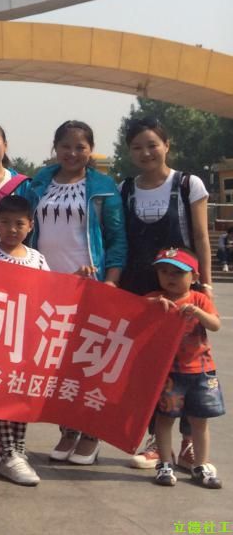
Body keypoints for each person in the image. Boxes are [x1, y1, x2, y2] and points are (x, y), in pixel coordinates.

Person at [21, 120, 127, 465]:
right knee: (57, 363)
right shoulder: (38, 183)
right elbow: (21, 227)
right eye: (65, 146)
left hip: (89, 285)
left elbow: (116, 239)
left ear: (90, 150)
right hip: (47, 285)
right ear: (55, 148)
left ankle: (90, 432)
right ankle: (68, 429)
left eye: (80, 147)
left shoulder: (102, 187)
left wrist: (111, 281)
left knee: (88, 361)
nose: (72, 153)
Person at [121, 116, 212, 470]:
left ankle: (189, 444)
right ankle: (158, 444)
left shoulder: (188, 184)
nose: (145, 153)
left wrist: (205, 285)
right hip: (142, 291)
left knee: (190, 366)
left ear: (167, 145)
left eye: (152, 145)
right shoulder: (125, 189)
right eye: (137, 147)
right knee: (151, 368)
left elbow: (201, 237)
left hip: (183, 292)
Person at [0, 195, 49, 486]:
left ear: (30, 225)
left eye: (19, 223)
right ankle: (8, 453)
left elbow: (51, 291)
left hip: (27, 338)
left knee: (21, 395)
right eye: (5, 222)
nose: (12, 229)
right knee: (1, 395)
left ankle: (18, 450)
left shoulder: (37, 258)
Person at [145, 248, 223, 489]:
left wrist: (198, 312)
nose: (169, 277)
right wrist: (152, 305)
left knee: (200, 420)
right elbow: (134, 311)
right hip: (169, 372)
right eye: (163, 271)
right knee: (165, 418)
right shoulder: (155, 298)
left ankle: (200, 464)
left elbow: (215, 324)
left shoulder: (199, 299)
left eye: (177, 272)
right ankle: (165, 464)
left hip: (201, 370)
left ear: (194, 277)